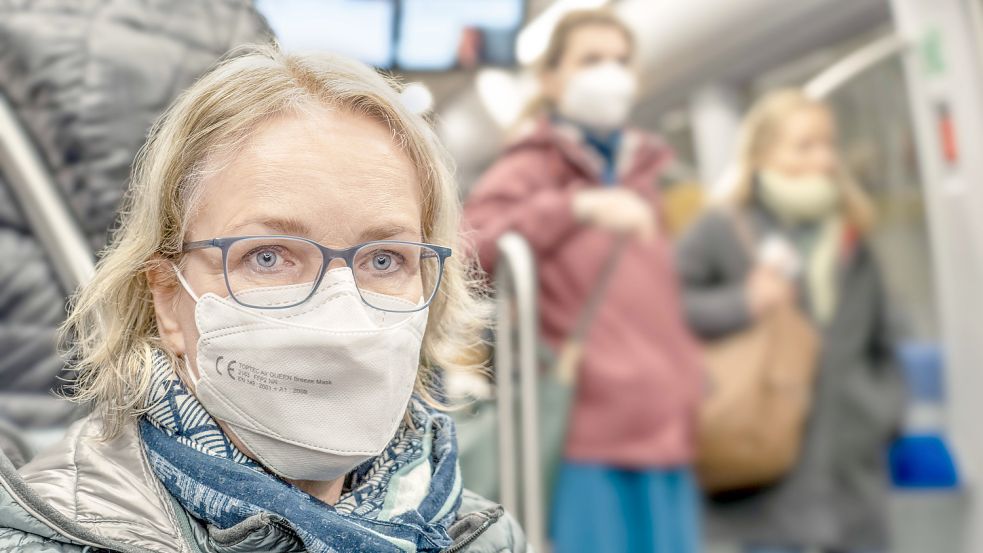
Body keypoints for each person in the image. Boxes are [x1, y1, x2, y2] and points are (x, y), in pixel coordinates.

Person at [0, 45, 525, 552]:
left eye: (384, 259)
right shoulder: (52, 538)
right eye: (269, 256)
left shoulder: (477, 535)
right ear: (167, 301)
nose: (341, 314)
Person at [464, 9, 703, 553]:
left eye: (620, 61)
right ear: (550, 78)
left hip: (666, 422)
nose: (609, 74)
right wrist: (576, 207)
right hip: (586, 428)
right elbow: (467, 249)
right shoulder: (532, 168)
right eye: (591, 60)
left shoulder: (656, 172)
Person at [676, 89, 906, 553]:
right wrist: (743, 302)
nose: (823, 159)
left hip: (850, 464)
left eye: (829, 145)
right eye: (805, 146)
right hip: (761, 463)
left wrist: (882, 412)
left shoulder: (851, 233)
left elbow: (884, 336)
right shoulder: (721, 228)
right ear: (762, 154)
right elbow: (666, 310)